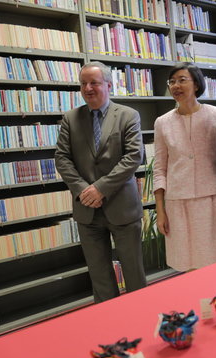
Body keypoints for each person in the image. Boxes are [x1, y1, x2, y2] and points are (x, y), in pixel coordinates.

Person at [55, 61, 146, 303]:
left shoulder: (128, 115)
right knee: (100, 278)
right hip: (87, 211)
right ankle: (109, 328)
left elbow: (133, 157)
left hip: (123, 209)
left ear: (108, 84)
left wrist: (101, 188)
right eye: (83, 83)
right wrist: (84, 190)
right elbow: (62, 159)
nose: (88, 88)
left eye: (94, 82)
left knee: (134, 274)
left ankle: (141, 320)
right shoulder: (71, 118)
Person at [153, 62, 216, 271]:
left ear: (196, 84)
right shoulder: (162, 122)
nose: (176, 86)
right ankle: (196, 303)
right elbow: (160, 168)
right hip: (178, 203)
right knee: (186, 263)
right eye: (172, 82)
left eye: (182, 80)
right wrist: (160, 210)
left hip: (214, 199)